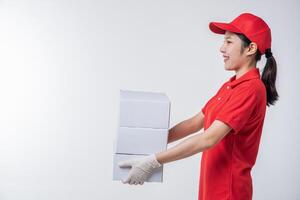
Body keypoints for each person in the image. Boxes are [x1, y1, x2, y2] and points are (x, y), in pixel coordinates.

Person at [118, 13, 278, 200]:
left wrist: (153, 161)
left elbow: (208, 139)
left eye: (229, 42)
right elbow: (195, 123)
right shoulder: (231, 86)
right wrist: (151, 141)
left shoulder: (251, 88)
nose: (221, 48)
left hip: (228, 191)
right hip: (211, 188)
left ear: (250, 48)